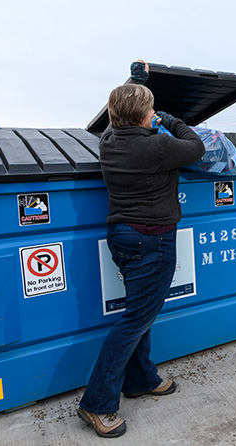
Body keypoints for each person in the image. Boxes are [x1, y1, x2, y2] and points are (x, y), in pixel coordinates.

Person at [78, 61, 206, 438]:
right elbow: (195, 147)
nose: (155, 113)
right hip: (154, 240)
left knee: (141, 312)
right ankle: (97, 404)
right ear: (142, 117)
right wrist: (171, 118)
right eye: (151, 109)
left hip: (122, 237)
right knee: (135, 319)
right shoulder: (158, 145)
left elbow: (118, 112)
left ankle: (140, 380)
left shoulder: (108, 141)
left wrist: (136, 82)